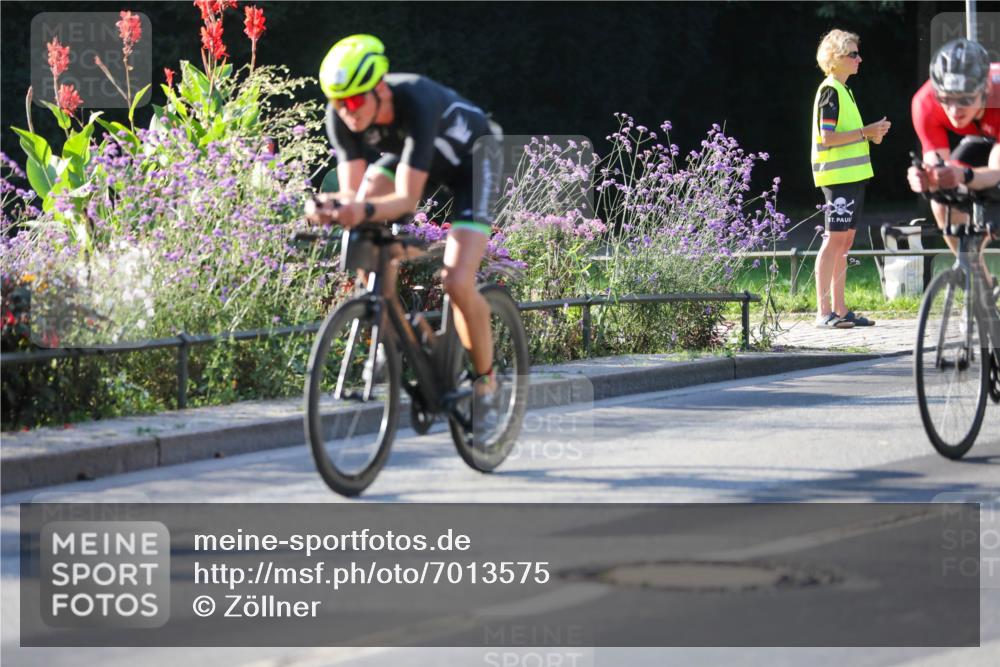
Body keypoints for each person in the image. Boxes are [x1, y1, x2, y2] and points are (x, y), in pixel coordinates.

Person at [306, 34, 504, 441]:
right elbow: (352, 194)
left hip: (470, 162)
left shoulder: (416, 100)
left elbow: (409, 199)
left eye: (355, 101)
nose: (346, 112)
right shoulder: (341, 115)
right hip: (421, 160)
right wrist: (326, 206)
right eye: (338, 102)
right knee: (364, 223)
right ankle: (392, 332)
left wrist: (358, 208)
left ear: (380, 88)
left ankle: (486, 385)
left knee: (456, 281)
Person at [811, 29, 890, 329]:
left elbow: (849, 136)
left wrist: (872, 135)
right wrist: (865, 133)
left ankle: (840, 310)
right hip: (838, 178)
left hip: (852, 177)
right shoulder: (830, 90)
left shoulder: (844, 90)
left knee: (844, 243)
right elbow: (828, 138)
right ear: (835, 60)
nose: (860, 58)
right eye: (853, 54)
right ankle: (823, 312)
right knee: (834, 241)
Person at [907, 38, 1000, 283]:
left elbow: (996, 172)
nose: (955, 109)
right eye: (946, 99)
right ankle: (979, 279)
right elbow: (937, 165)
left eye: (965, 99)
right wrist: (926, 177)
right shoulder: (925, 102)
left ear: (985, 91)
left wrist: (965, 176)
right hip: (980, 137)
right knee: (941, 199)